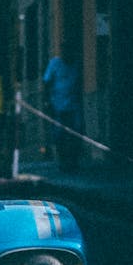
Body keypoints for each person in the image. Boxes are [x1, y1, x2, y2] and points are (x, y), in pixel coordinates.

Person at [43, 42, 82, 171]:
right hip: (57, 106)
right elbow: (46, 82)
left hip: (73, 106)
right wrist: (47, 101)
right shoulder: (55, 63)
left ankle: (73, 161)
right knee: (59, 135)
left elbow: (79, 84)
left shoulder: (76, 64)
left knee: (75, 133)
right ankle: (63, 161)